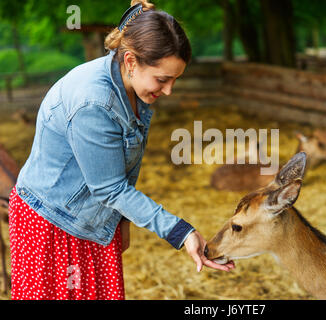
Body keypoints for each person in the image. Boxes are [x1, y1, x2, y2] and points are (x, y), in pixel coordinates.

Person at [8, 0, 234, 300]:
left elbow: (119, 169)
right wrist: (180, 232)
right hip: (54, 224)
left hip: (91, 219)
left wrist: (120, 222)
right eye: (163, 79)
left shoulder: (132, 86)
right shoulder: (94, 102)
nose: (168, 91)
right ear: (130, 61)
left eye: (175, 80)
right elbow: (110, 188)